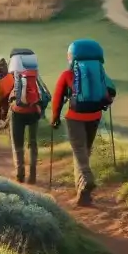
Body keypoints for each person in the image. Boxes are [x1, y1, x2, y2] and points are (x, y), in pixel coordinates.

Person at [51, 40, 116, 206]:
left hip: (75, 117)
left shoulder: (67, 75)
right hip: (94, 116)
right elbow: (112, 91)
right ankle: (83, 196)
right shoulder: (100, 72)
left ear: (71, 58)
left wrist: (55, 117)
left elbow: (58, 98)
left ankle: (86, 178)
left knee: (79, 150)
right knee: (85, 150)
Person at [0, 49, 50, 184]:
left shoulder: (9, 78)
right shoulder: (36, 76)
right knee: (32, 142)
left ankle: (20, 174)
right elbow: (45, 95)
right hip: (34, 113)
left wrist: (0, 117)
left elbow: (1, 99)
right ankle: (32, 175)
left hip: (17, 113)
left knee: (17, 143)